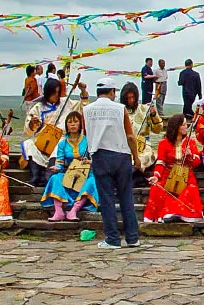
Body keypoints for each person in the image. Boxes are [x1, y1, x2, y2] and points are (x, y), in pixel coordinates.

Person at [83, 77, 141, 249]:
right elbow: (130, 136)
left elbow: (87, 133)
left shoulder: (86, 110)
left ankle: (112, 238)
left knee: (107, 199)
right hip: (121, 155)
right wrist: (136, 156)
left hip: (100, 155)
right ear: (111, 91)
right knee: (126, 197)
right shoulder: (120, 109)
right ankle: (132, 237)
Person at [22, 78, 89, 186]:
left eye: (58, 92)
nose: (56, 96)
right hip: (43, 141)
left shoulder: (66, 103)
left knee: (59, 145)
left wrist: (83, 91)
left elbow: (82, 106)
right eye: (54, 93)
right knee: (28, 144)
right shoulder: (38, 107)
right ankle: (36, 175)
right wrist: (32, 123)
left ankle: (49, 175)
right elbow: (29, 128)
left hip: (61, 139)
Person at [144, 115, 204, 223]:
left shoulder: (190, 143)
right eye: (184, 125)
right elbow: (161, 162)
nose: (187, 127)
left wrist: (190, 155)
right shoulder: (163, 143)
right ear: (177, 127)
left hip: (186, 175)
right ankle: (164, 214)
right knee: (157, 188)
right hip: (168, 174)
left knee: (190, 189)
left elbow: (197, 162)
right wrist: (156, 175)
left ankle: (174, 213)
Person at [41, 112, 100, 221]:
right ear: (66, 125)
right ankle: (59, 212)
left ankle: (74, 210)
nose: (73, 124)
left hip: (85, 173)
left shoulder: (88, 141)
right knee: (55, 178)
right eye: (70, 122)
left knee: (92, 181)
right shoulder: (62, 144)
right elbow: (60, 162)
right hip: (68, 172)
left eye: (76, 122)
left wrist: (89, 162)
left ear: (80, 124)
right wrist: (56, 168)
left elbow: (96, 159)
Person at [120, 82, 163, 173]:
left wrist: (154, 115)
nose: (131, 100)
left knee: (145, 156)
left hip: (143, 145)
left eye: (133, 97)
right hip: (124, 144)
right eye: (128, 98)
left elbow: (158, 130)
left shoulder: (145, 108)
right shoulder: (119, 110)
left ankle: (134, 171)